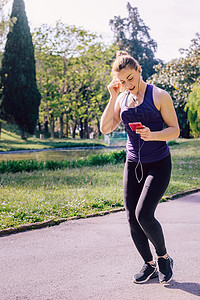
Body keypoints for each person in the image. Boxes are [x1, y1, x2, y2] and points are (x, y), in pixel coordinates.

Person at [100, 51, 180, 284]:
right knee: (131, 217)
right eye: (122, 81)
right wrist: (112, 96)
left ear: (139, 71)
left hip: (158, 164)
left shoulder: (159, 95)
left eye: (130, 78)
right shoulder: (122, 98)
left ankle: (164, 258)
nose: (127, 84)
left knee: (144, 214)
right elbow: (106, 128)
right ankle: (149, 265)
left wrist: (153, 135)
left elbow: (175, 130)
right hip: (133, 163)